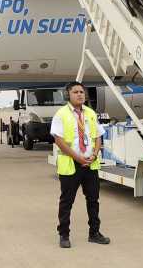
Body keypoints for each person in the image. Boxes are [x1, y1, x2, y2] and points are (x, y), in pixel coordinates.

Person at [51, 81, 110, 249]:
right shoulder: (61, 114)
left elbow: (98, 136)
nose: (80, 94)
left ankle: (94, 233)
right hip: (71, 165)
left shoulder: (90, 113)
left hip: (90, 165)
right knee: (66, 202)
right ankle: (64, 235)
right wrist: (78, 158)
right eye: (75, 92)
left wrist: (95, 153)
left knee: (93, 200)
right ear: (68, 95)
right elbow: (59, 141)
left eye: (82, 92)